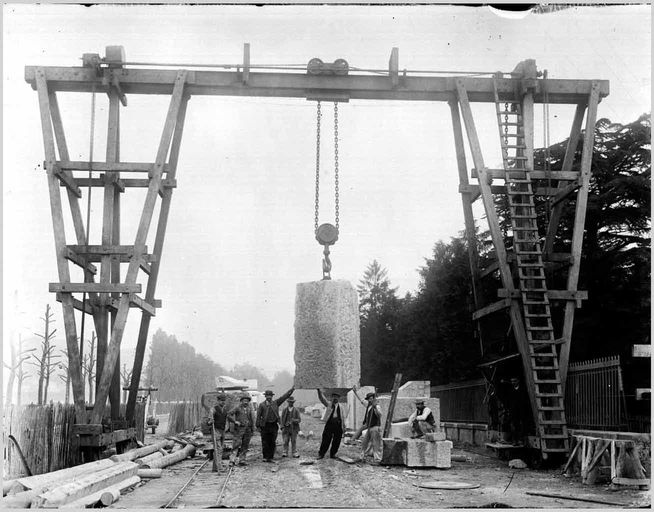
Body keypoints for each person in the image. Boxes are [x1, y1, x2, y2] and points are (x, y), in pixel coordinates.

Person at [256, 386, 295, 462]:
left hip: (274, 425)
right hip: (265, 425)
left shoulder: (276, 403)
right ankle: (265, 457)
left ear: (272, 396)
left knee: (272, 441)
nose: (269, 397)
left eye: (270, 396)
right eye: (267, 396)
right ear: (265, 396)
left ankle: (270, 457)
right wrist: (258, 426)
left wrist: (292, 389)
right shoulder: (261, 405)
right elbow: (258, 416)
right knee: (265, 441)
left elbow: (284, 397)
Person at [316, 389, 349, 459]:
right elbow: (322, 399)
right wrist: (319, 391)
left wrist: (344, 427)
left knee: (337, 441)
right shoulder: (329, 404)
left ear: (338, 398)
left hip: (338, 425)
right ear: (331, 398)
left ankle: (333, 454)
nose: (335, 398)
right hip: (329, 424)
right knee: (326, 440)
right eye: (333, 396)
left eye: (336, 397)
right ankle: (321, 454)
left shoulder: (341, 407)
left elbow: (343, 417)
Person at [352, 392, 383, 463]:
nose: (369, 400)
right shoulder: (368, 406)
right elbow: (361, 400)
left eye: (371, 399)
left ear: (373, 398)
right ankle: (362, 457)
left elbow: (380, 415)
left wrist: (375, 407)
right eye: (369, 399)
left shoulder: (377, 406)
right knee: (364, 443)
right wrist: (355, 392)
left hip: (375, 427)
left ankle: (377, 460)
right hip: (369, 427)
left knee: (376, 444)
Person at [227, 393, 255, 466]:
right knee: (236, 445)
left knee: (245, 445)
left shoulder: (249, 409)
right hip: (238, 430)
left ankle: (242, 460)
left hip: (247, 430)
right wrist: (234, 421)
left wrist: (252, 429)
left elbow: (252, 419)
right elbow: (229, 414)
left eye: (247, 401)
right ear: (241, 401)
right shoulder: (237, 407)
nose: (246, 402)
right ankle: (232, 460)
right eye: (244, 401)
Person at [208, 392, 229, 471]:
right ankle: (219, 467)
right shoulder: (213, 409)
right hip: (215, 430)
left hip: (222, 431)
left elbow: (226, 420)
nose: (223, 402)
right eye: (221, 400)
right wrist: (210, 421)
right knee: (218, 449)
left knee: (220, 449)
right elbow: (209, 421)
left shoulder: (225, 410)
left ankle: (215, 467)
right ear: (218, 401)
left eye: (224, 400)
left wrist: (226, 428)